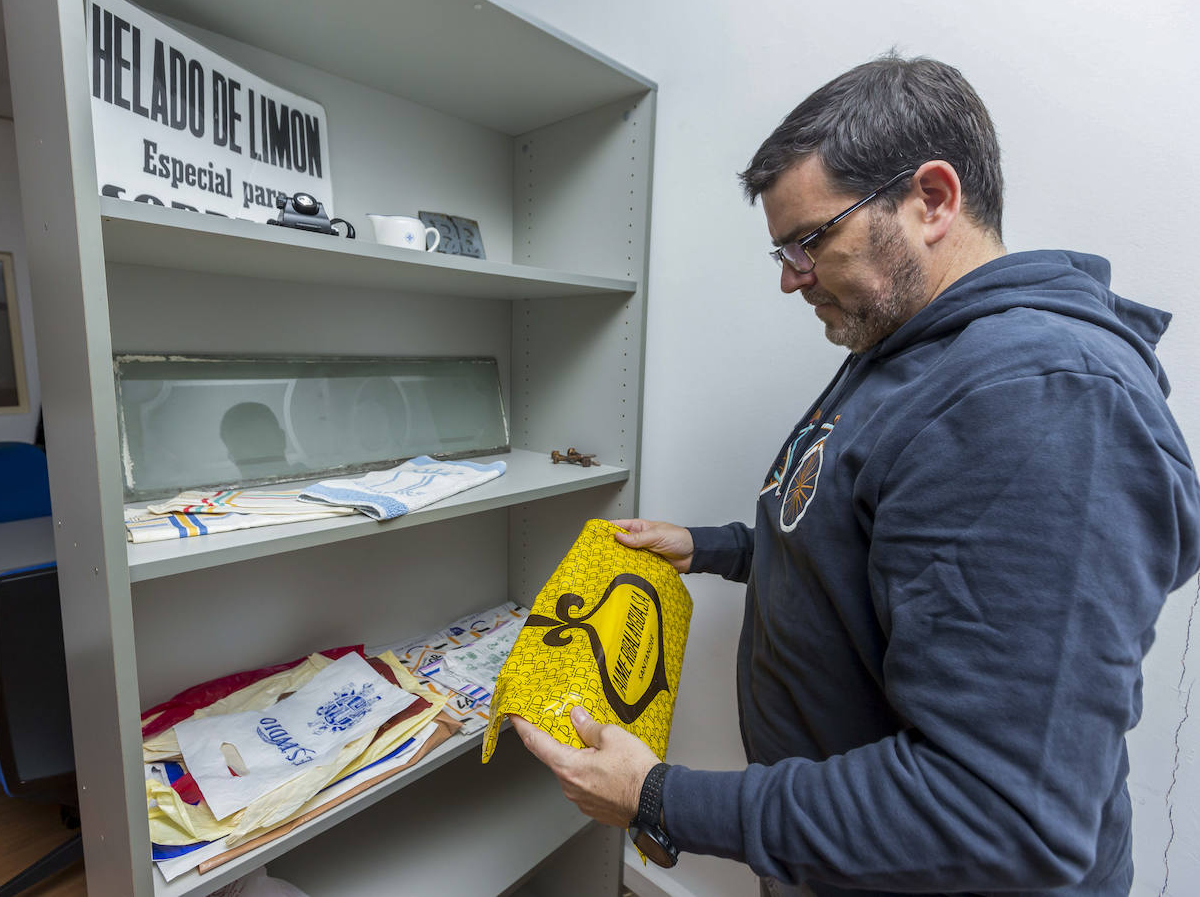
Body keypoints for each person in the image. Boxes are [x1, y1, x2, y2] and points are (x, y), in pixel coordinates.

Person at [511, 53, 1200, 895]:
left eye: (809, 241)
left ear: (933, 200)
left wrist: (660, 798)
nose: (790, 277)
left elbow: (998, 815)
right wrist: (718, 547)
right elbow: (870, 545)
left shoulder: (1035, 403)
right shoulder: (905, 343)